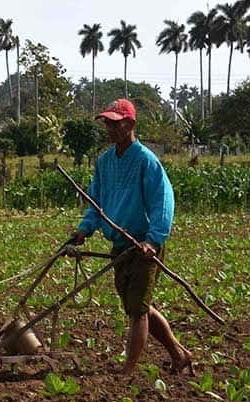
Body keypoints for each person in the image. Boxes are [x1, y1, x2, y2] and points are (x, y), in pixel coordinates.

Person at [71, 99, 193, 375]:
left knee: (138, 311)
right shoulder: (105, 162)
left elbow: (163, 202)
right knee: (137, 307)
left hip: (142, 245)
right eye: (107, 123)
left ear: (130, 124)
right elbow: (96, 202)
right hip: (120, 244)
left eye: (116, 123)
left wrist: (154, 239)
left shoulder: (146, 161)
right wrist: (84, 229)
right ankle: (179, 353)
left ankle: (127, 371)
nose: (110, 128)